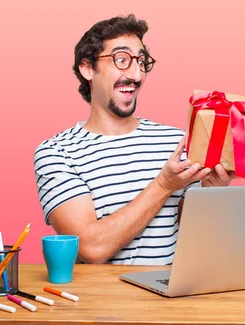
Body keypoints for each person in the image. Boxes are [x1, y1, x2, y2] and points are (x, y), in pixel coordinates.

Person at [33, 14, 233, 265]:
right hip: (101, 303)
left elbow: (193, 241)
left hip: (169, 300)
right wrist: (163, 185)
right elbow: (91, 248)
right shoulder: (57, 152)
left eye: (141, 62)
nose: (137, 75)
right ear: (87, 68)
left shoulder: (176, 142)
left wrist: (212, 195)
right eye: (121, 60)